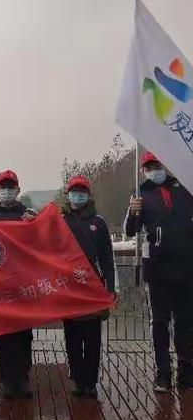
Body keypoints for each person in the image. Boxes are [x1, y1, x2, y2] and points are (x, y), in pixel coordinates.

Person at [125, 152, 193, 392]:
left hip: (185, 266)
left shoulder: (184, 187)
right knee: (160, 323)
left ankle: (187, 372)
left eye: (157, 165)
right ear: (143, 170)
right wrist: (133, 212)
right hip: (157, 269)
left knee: (185, 322)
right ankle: (163, 372)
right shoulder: (140, 194)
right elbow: (131, 231)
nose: (153, 169)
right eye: (149, 166)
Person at [0, 170, 35, 398]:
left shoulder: (29, 215)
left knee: (24, 334)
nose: (8, 190)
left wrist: (36, 224)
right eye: (3, 187)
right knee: (2, 335)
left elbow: (44, 240)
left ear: (18, 190)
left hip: (24, 283)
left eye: (11, 187)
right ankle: (6, 379)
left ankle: (22, 378)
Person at [62, 175, 115, 398]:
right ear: (67, 194)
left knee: (93, 339)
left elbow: (107, 258)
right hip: (68, 289)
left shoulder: (99, 222)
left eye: (82, 191)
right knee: (72, 338)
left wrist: (111, 287)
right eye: (74, 191)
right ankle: (77, 379)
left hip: (93, 289)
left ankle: (91, 381)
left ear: (88, 195)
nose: (78, 195)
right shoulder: (58, 220)